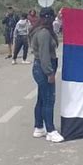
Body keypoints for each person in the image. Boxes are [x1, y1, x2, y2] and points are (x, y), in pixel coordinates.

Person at [30, 7, 64, 143]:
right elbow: (44, 55)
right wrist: (50, 73)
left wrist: (60, 18)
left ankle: (39, 127)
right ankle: (50, 130)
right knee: (49, 99)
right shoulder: (44, 33)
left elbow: (56, 27)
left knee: (42, 99)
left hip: (40, 68)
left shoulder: (39, 30)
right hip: (44, 68)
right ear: (47, 18)